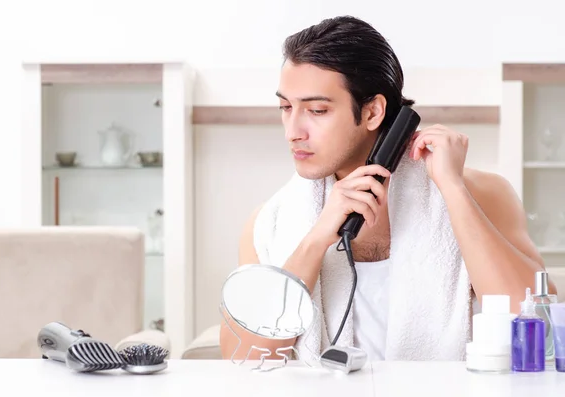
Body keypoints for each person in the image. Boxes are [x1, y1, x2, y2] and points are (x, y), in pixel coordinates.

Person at [219, 15, 556, 362]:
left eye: (317, 110)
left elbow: (539, 331)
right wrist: (316, 239)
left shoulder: (479, 193)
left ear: (373, 112)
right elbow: (243, 358)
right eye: (286, 108)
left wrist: (454, 191)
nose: (293, 130)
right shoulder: (270, 223)